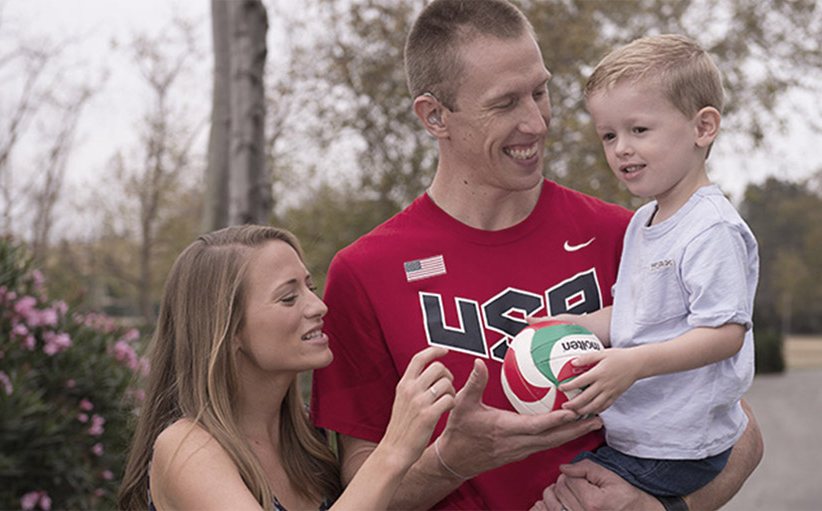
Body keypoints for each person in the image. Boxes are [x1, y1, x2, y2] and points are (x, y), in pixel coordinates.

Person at [311, 1, 763, 510]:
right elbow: (360, 490)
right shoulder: (364, 273)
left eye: (540, 92)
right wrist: (452, 460)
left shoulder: (630, 234)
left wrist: (661, 509)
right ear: (434, 115)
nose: (536, 122)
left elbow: (735, 429)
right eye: (505, 104)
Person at [547, 33, 760, 501]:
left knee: (570, 497)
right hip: (639, 436)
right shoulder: (644, 221)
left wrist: (633, 364)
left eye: (639, 130)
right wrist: (576, 324)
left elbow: (726, 333)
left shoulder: (711, 228)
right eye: (609, 135)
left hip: (680, 446)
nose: (620, 148)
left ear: (704, 128)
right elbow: (635, 312)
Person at [117, 225, 456, 511]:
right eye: (289, 298)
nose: (319, 306)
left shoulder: (308, 436)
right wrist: (395, 450)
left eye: (310, 287)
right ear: (228, 329)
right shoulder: (187, 447)